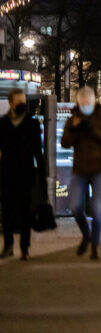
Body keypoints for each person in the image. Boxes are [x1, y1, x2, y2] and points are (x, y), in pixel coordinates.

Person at [61, 86, 101, 260]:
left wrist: (92, 130)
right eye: (82, 103)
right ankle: (86, 234)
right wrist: (76, 129)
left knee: (96, 207)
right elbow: (65, 143)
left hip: (99, 169)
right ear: (78, 102)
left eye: (87, 103)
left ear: (93, 102)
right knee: (75, 206)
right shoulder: (73, 119)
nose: (84, 106)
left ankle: (95, 245)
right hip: (79, 169)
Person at [0, 88, 45, 260]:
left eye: (23, 102)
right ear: (11, 103)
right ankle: (9, 244)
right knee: (7, 211)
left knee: (26, 212)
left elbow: (37, 152)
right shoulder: (3, 124)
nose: (21, 105)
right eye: (19, 102)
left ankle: (24, 247)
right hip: (7, 173)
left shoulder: (32, 124)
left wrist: (42, 173)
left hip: (26, 173)